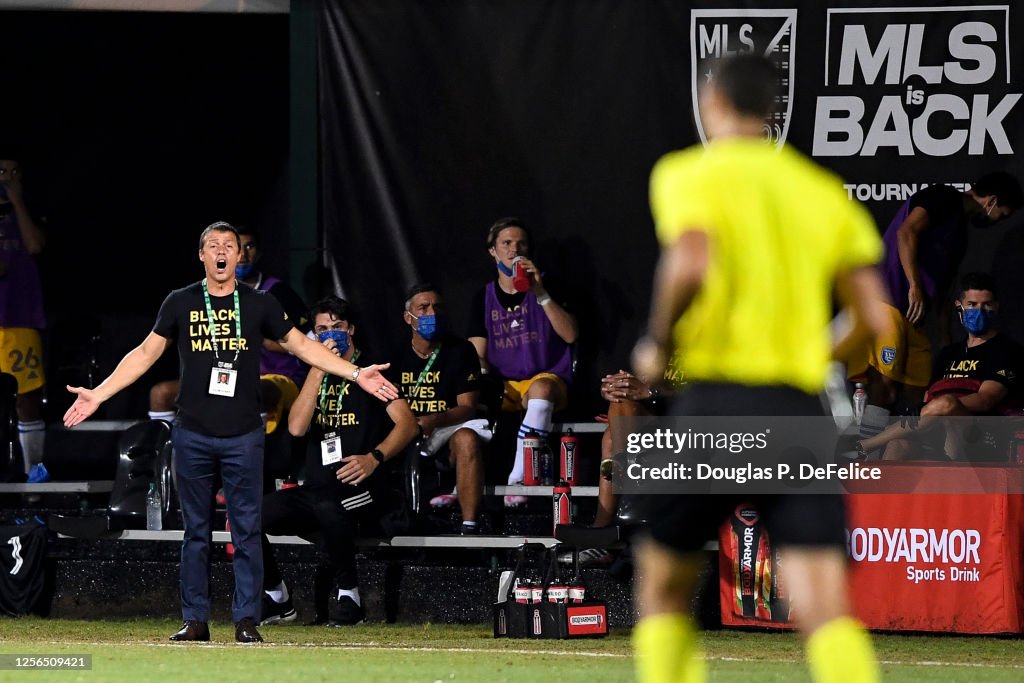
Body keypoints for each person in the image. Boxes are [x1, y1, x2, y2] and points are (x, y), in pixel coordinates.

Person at [629, 55, 888, 683]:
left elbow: (691, 259)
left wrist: (658, 345)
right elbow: (876, 318)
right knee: (825, 606)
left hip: (716, 406)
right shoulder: (821, 191)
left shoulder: (689, 172)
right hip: (795, 412)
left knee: (663, 587)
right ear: (773, 108)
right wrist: (813, 354)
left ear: (712, 101)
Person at [62, 221, 399, 644]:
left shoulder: (258, 304)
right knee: (196, 532)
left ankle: (246, 620)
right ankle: (195, 619)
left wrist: (355, 373)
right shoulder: (180, 301)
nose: (222, 251)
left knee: (246, 529)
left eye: (230, 246)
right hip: (192, 433)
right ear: (202, 255)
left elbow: (300, 344)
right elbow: (145, 354)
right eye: (213, 245)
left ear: (240, 257)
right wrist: (99, 393)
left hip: (243, 435)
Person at [260, 295, 418, 626]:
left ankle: (350, 596)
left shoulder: (370, 373)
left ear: (352, 330)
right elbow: (297, 427)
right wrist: (318, 369)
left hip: (364, 485)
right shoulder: (314, 376)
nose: (331, 334)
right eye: (321, 330)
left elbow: (408, 424)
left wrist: (374, 458)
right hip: (318, 488)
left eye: (338, 327)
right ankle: (277, 597)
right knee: (248, 513)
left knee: (330, 506)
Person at [848, 172, 1021, 452]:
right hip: (887, 300)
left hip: (914, 318)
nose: (999, 220)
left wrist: (944, 333)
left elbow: (944, 285)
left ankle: (903, 451)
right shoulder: (943, 196)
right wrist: (914, 286)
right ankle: (861, 453)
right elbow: (907, 232)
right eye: (1003, 213)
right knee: (885, 385)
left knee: (920, 392)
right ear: (992, 201)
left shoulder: (960, 234)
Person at [149, 225, 311, 436]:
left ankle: (253, 454)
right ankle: (169, 459)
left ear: (259, 253)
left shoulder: (277, 293)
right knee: (161, 393)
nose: (243, 254)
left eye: (249, 246)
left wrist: (267, 342)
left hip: (278, 378)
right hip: (227, 374)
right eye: (236, 247)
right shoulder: (198, 298)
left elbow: (310, 342)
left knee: (249, 389)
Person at [467, 217, 578, 506]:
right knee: (465, 393)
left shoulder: (548, 286)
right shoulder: (484, 296)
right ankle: (459, 487)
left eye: (521, 243)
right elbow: (477, 350)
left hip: (546, 377)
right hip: (504, 384)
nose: (514, 248)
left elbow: (570, 335)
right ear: (493, 251)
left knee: (540, 391)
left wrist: (539, 292)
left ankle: (519, 477)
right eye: (506, 243)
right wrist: (481, 376)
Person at [854, 273, 1022, 461]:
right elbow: (928, 396)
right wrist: (932, 409)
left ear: (996, 307)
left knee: (946, 404)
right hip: (934, 429)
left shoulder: (1007, 351)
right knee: (898, 445)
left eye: (987, 305)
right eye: (972, 305)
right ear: (959, 307)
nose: (979, 311)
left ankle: (865, 445)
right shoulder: (949, 353)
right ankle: (876, 487)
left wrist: (941, 406)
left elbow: (986, 399)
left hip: (978, 434)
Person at [393, 283, 488, 534]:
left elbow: (467, 407)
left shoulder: (461, 350)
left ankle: (469, 525)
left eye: (437, 307)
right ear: (408, 317)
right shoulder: (393, 353)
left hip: (447, 429)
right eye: (423, 308)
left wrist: (431, 420)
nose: (431, 313)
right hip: (404, 431)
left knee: (468, 438)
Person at [0, 152, 47, 477]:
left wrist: (15, 201)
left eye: (14, 172)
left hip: (20, 316)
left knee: (26, 397)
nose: (7, 178)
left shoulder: (27, 211)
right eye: (2, 172)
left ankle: (34, 475)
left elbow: (34, 246)